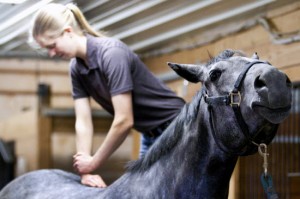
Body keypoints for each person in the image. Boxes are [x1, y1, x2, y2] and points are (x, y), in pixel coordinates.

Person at [30, 3, 185, 188]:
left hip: (178, 126)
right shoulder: (76, 68)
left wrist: (94, 161)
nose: (52, 53)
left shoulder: (111, 53)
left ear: (68, 31)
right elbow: (83, 122)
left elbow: (124, 120)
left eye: (52, 46)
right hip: (149, 133)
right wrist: (86, 171)